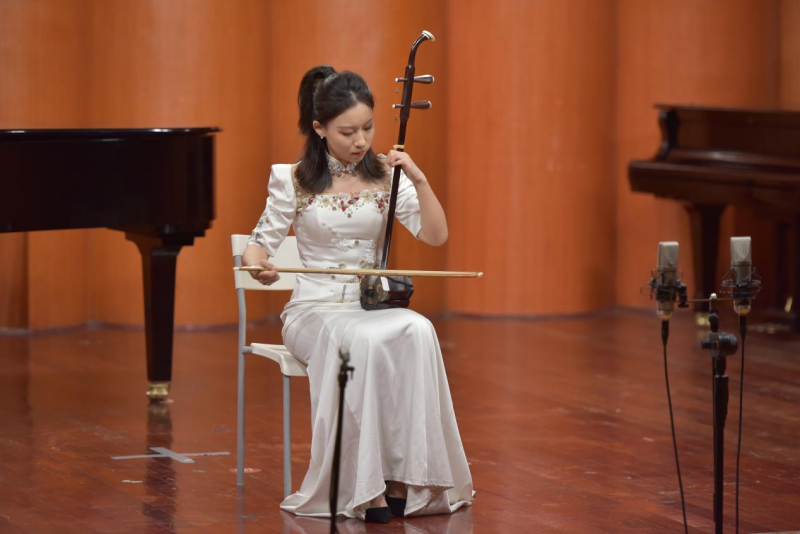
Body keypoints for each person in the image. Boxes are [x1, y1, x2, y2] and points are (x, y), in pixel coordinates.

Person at [243, 64, 473, 524]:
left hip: (371, 303)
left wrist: (419, 179)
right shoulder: (292, 178)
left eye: (367, 127)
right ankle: (361, 487)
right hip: (314, 310)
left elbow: (436, 235)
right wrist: (257, 264)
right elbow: (258, 243)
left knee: (419, 330)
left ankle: (405, 478)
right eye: (347, 132)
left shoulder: (387, 175)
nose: (361, 141)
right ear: (319, 128)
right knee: (360, 341)